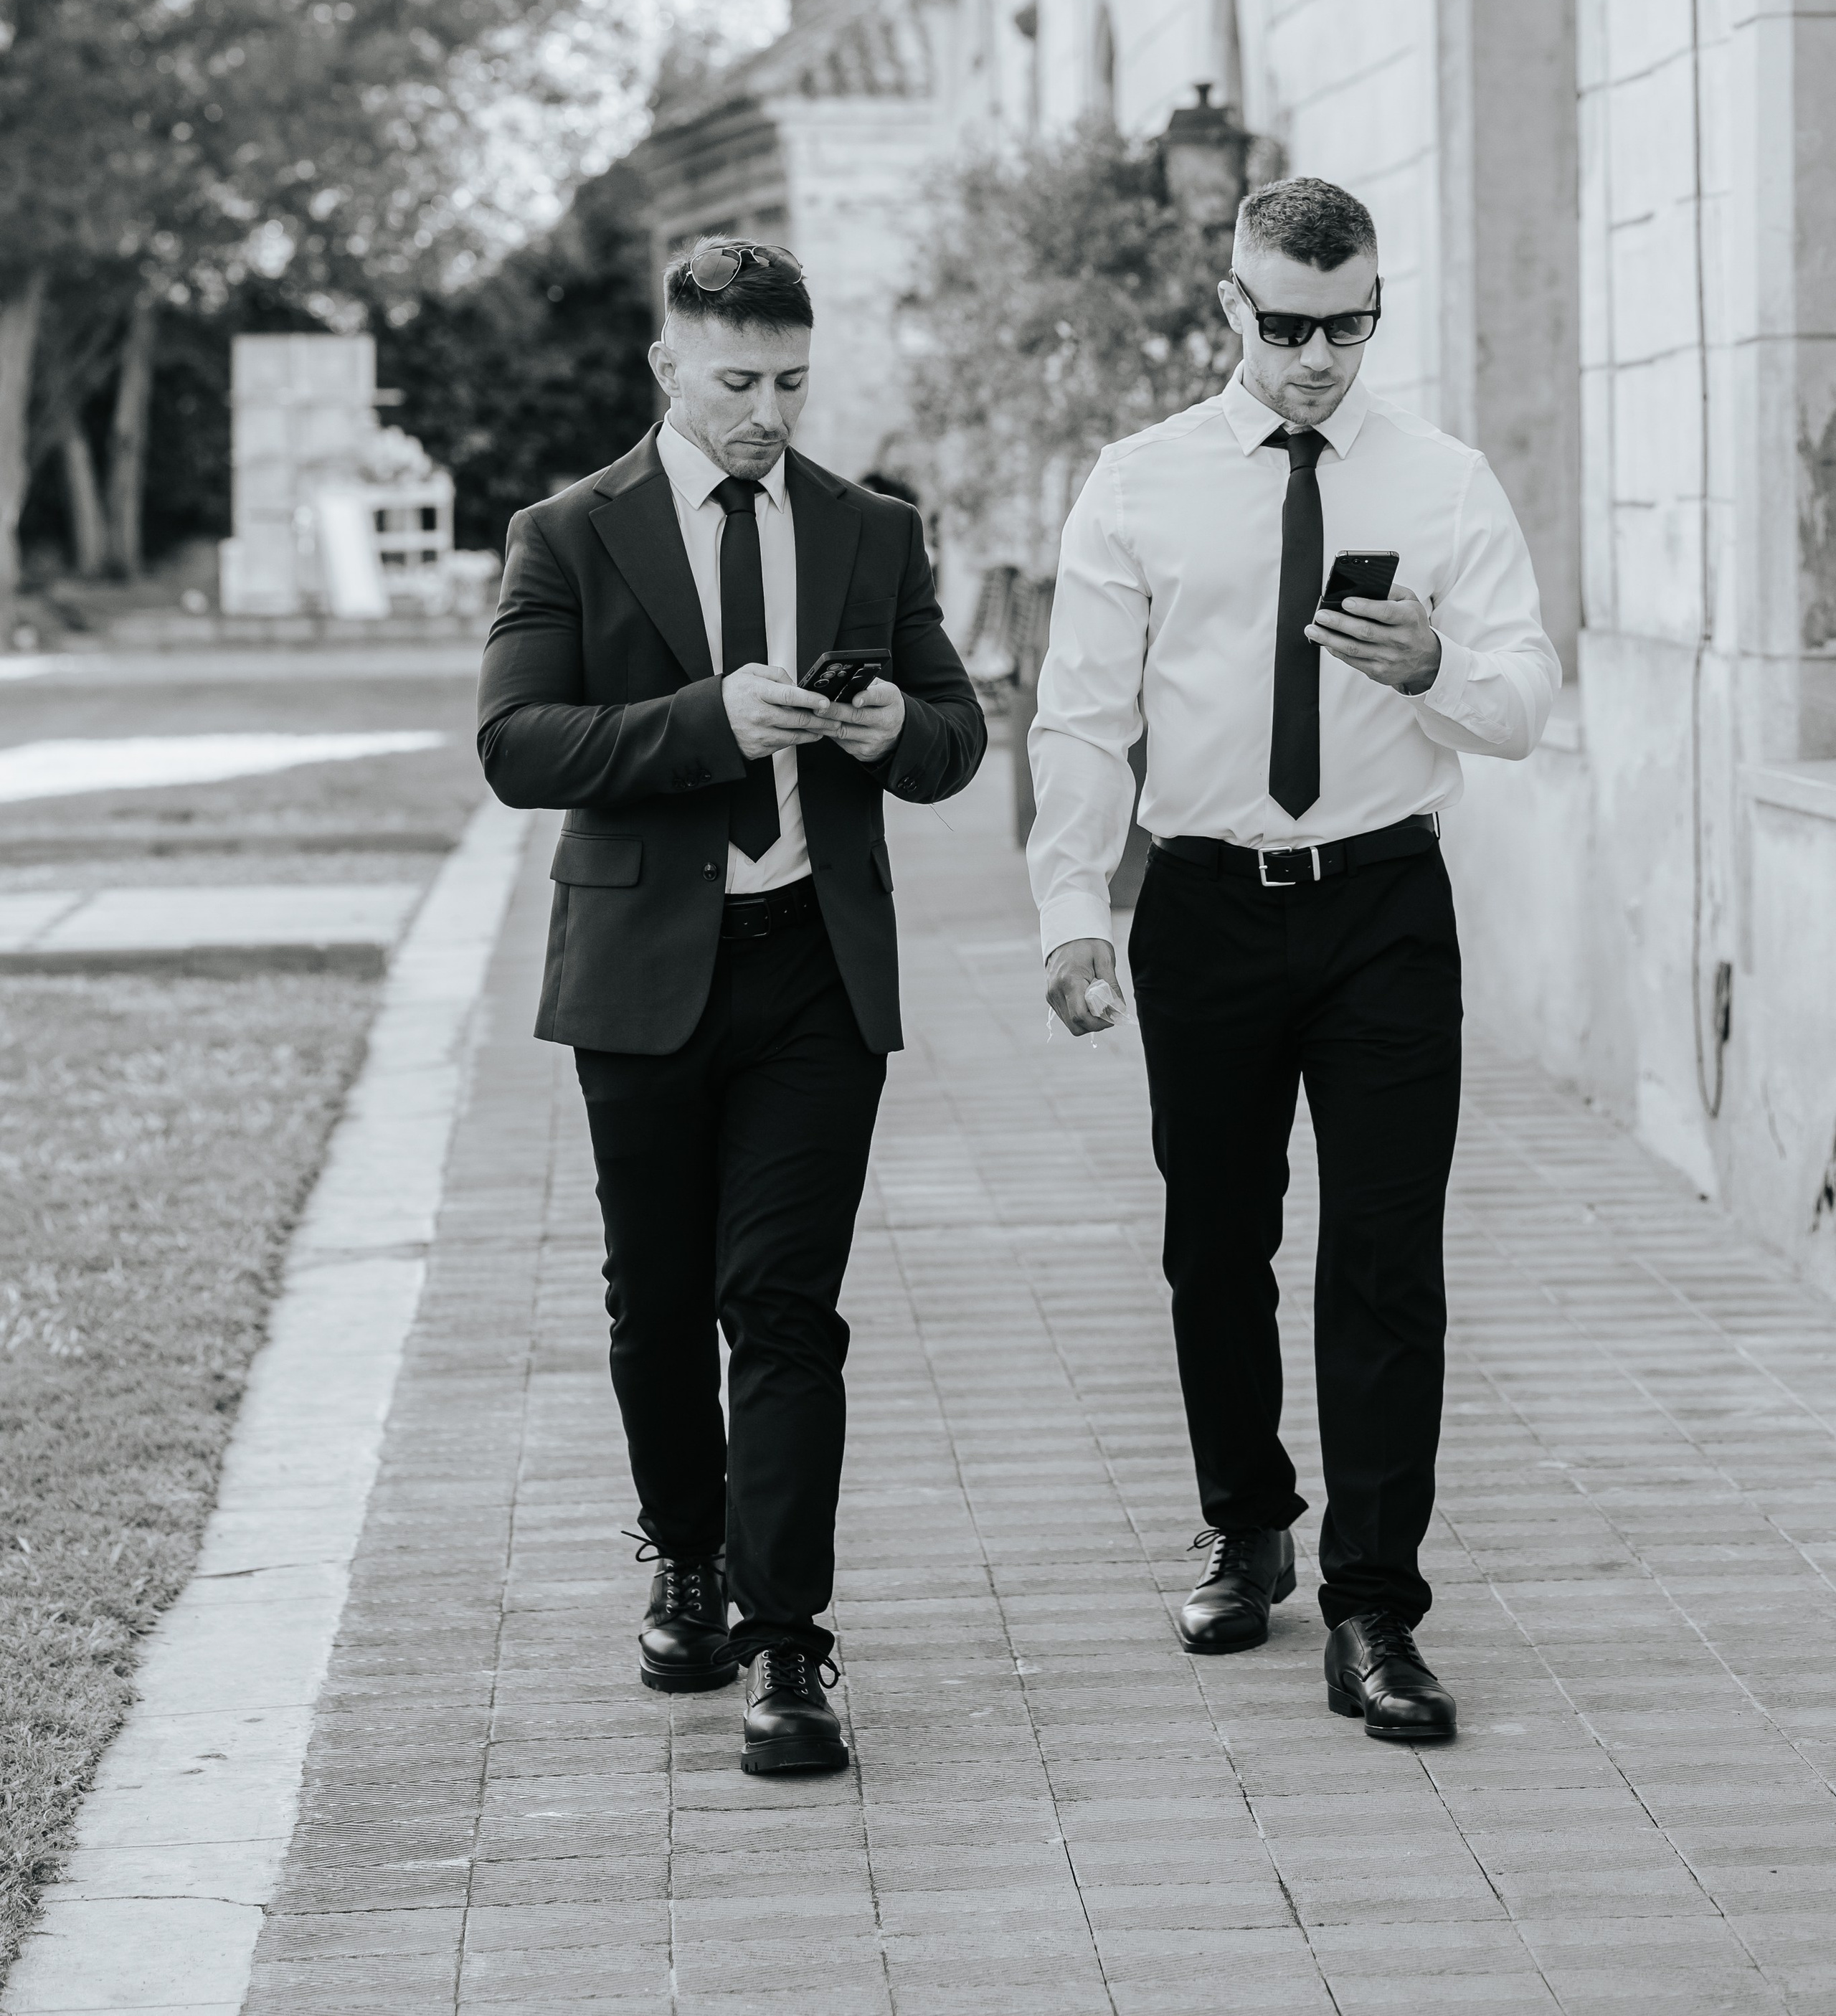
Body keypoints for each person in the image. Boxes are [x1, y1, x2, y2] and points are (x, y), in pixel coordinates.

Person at [1027, 176, 1559, 1744]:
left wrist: (1438, 667)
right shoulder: (1137, 483)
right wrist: (1072, 906)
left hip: (1383, 900)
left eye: (1347, 325)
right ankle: (1242, 1519)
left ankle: (1374, 1607)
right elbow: (1080, 714)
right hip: (1203, 899)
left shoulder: (1445, 481)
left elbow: (1525, 695)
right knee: (1215, 1236)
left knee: (1385, 1255)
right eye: (1285, 326)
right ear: (1229, 309)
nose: (1318, 358)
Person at [477, 238, 985, 1775]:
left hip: (813, 971)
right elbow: (517, 746)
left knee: (782, 1307)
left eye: (788, 381)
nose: (765, 410)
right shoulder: (565, 532)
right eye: (735, 381)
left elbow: (956, 734)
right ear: (668, 368)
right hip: (641, 974)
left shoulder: (870, 528)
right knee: (656, 1297)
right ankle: (681, 1556)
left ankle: (786, 1644)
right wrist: (709, 723)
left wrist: (899, 724)